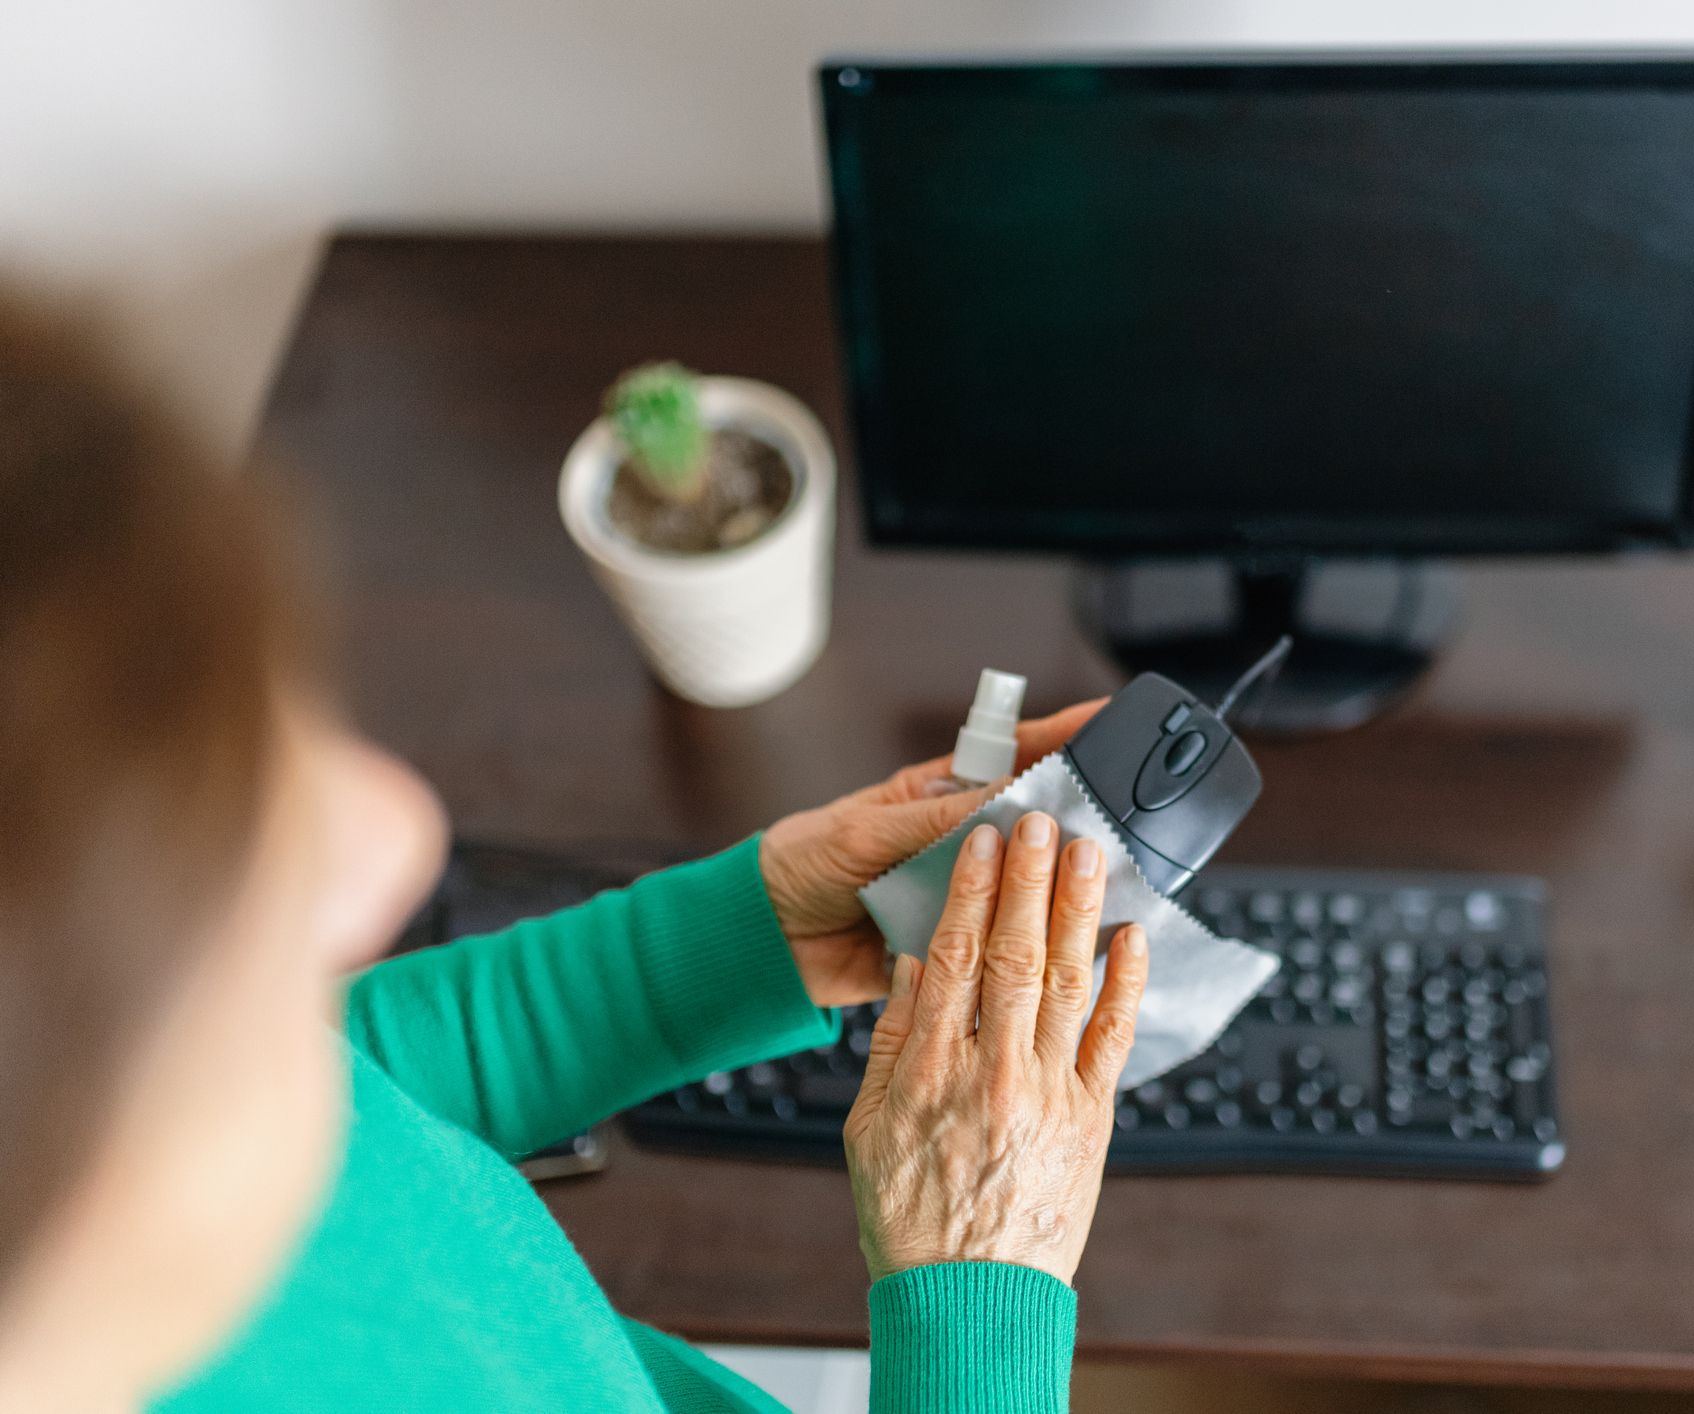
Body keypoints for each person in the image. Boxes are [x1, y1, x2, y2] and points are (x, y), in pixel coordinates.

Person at [0, 297, 1149, 1413]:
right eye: (216, 827)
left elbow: (352, 1086)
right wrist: (978, 1310)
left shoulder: (114, 1109)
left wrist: (736, 939)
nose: (404, 834)